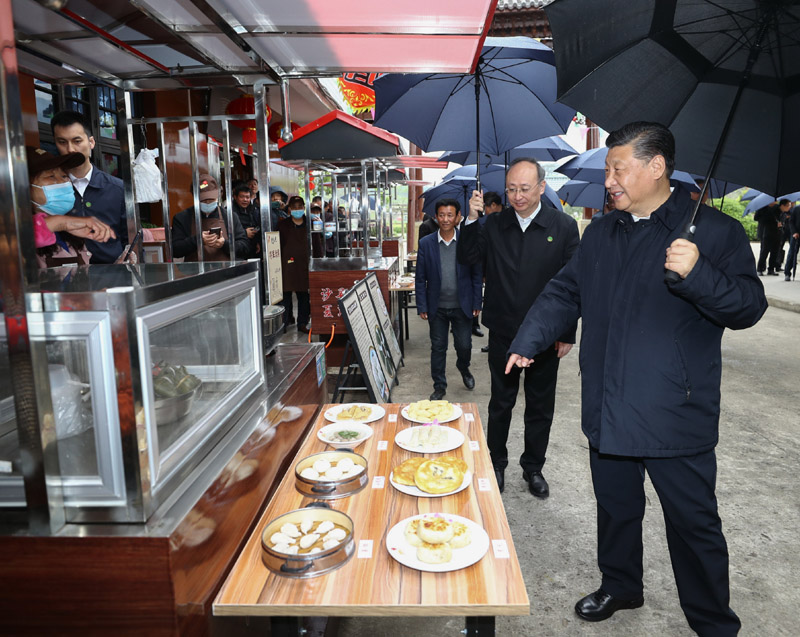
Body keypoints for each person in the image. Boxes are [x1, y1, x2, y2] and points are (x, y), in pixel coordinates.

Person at [506, 122, 766, 634]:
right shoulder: (601, 233)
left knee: (693, 527)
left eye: (617, 168)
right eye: (607, 169)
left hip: (675, 413)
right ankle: (621, 585)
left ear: (656, 167)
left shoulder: (714, 233)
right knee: (616, 508)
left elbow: (749, 308)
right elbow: (564, 293)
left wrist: (700, 276)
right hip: (609, 404)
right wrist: (527, 338)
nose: (609, 180)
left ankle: (713, 622)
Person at [458, 157, 580, 497]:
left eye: (524, 188)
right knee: (501, 403)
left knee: (541, 406)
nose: (517, 195)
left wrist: (567, 333)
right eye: (511, 189)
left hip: (546, 335)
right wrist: (471, 218)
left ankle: (533, 468)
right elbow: (468, 258)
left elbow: (573, 286)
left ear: (542, 187)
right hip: (504, 331)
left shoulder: (563, 226)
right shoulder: (494, 225)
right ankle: (496, 463)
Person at [416, 199, 482, 400]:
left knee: (464, 346)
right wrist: (422, 305)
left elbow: (476, 275)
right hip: (437, 307)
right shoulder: (426, 244)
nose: (445, 219)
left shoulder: (466, 241)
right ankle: (439, 386)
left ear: (457, 217)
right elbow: (420, 278)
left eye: (450, 215)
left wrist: (476, 302)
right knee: (438, 347)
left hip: (462, 305)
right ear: (436, 217)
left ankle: (464, 367)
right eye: (442, 215)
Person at [51, 110, 127, 263]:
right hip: (67, 279)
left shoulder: (117, 189)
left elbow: (131, 240)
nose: (71, 149)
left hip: (113, 278)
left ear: (91, 142)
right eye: (62, 142)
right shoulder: (50, 188)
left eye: (77, 141)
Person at [27, 146, 115, 267]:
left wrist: (117, 268)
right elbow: (23, 237)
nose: (62, 182)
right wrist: (63, 223)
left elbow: (81, 278)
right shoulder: (14, 231)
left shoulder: (72, 234)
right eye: (51, 176)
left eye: (64, 176)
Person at [171, 174, 249, 262]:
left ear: (218, 195)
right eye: (203, 200)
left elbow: (244, 247)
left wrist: (224, 244)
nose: (208, 203)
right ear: (194, 197)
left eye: (211, 199)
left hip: (225, 272)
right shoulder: (182, 218)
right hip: (195, 273)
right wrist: (198, 240)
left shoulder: (230, 217)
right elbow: (175, 250)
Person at [278, 196, 323, 332]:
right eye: (294, 207)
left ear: (304, 208)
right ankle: (284, 323)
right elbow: (276, 244)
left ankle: (302, 322)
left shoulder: (311, 224)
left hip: (305, 264)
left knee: (303, 295)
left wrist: (318, 262)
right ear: (289, 209)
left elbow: (317, 245)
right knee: (285, 295)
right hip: (287, 265)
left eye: (300, 207)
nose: (297, 209)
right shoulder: (282, 225)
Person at [753, 199, 789, 275]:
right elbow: (760, 219)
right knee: (764, 251)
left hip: (778, 233)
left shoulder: (779, 210)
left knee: (775, 252)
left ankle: (771, 269)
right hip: (768, 233)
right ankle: (760, 269)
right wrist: (775, 223)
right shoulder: (764, 209)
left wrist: (780, 224)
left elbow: (782, 219)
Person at [231, 183, 261, 258]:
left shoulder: (252, 209)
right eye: (242, 197)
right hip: (238, 251)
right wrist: (244, 233)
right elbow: (228, 232)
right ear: (235, 197)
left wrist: (256, 242)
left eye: (247, 197)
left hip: (251, 249)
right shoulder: (230, 212)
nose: (245, 200)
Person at [785, 203, 800, 281]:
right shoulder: (796, 208)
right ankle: (787, 273)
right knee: (792, 253)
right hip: (796, 235)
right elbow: (791, 221)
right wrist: (794, 232)